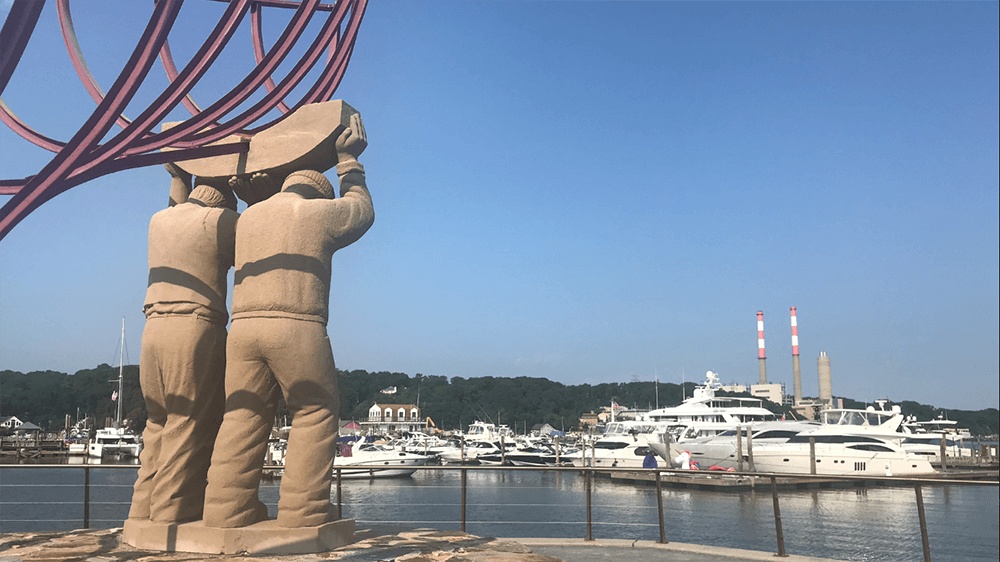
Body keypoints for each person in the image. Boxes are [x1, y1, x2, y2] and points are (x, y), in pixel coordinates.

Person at [203, 113, 374, 528]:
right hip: (296, 324)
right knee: (315, 411)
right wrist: (349, 161)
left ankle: (225, 510)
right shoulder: (314, 213)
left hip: (242, 330)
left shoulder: (248, 219)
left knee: (242, 416)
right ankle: (303, 511)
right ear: (318, 194)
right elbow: (361, 211)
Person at [128, 166, 238, 523]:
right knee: (189, 421)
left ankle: (142, 508)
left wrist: (179, 178)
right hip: (194, 326)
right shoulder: (221, 222)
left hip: (153, 329)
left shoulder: (159, 221)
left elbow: (179, 210)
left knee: (157, 423)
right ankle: (171, 512)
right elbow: (261, 236)